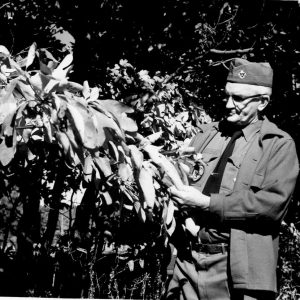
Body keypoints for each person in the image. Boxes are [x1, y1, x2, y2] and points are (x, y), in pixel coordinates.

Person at [165, 58, 299, 300]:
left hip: (235, 267)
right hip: (188, 261)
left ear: (263, 102)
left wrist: (207, 204)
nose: (227, 104)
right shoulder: (206, 134)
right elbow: (179, 185)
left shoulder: (277, 145)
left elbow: (271, 206)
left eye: (238, 98)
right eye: (227, 96)